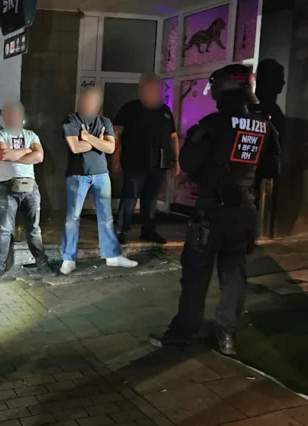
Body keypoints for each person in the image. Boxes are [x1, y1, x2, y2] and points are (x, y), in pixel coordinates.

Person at [148, 65, 280, 355]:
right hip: (244, 212)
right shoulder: (264, 126)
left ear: (220, 90)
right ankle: (228, 336)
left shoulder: (212, 124)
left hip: (211, 212)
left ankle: (182, 333)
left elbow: (189, 163)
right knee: (234, 276)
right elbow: (271, 169)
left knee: (196, 275)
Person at [61, 88, 139, 275]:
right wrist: (98, 142)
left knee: (106, 217)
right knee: (72, 218)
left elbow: (111, 148)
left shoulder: (105, 122)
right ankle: (68, 258)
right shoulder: (71, 120)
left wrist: (88, 138)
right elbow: (75, 147)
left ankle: (112, 256)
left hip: (101, 175)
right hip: (77, 175)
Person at [0, 101, 55, 284]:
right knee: (4, 229)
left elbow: (39, 156)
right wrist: (26, 150)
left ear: (22, 117)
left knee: (34, 229)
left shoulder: (31, 135)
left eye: (16, 114)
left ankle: (42, 264)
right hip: (6, 186)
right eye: (9, 114)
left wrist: (14, 154)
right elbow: (3, 155)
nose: (13, 117)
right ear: (4, 117)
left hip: (30, 186)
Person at [113, 74, 180, 245]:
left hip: (159, 163)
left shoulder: (165, 111)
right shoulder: (130, 109)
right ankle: (121, 231)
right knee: (130, 197)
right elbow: (116, 133)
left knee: (150, 199)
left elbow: (173, 137)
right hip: (135, 162)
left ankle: (148, 231)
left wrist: (176, 161)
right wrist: (116, 157)